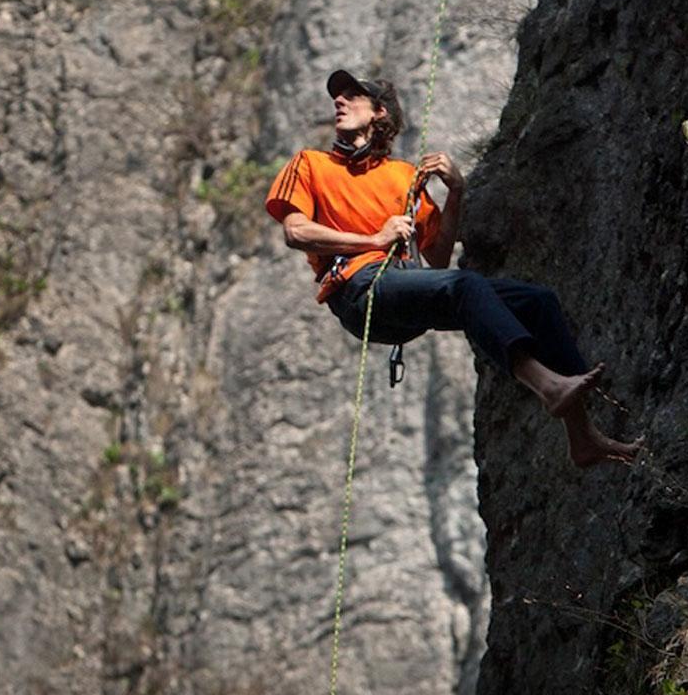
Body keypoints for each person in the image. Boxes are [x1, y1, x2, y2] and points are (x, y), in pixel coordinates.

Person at [265, 70, 641, 467]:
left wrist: (456, 191)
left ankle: (583, 437)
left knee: (537, 301)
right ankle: (548, 386)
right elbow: (296, 231)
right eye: (336, 96)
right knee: (464, 286)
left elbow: (439, 258)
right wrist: (374, 241)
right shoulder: (310, 164)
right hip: (358, 291)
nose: (339, 101)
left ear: (379, 113)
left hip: (402, 286)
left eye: (352, 95)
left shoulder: (402, 176)